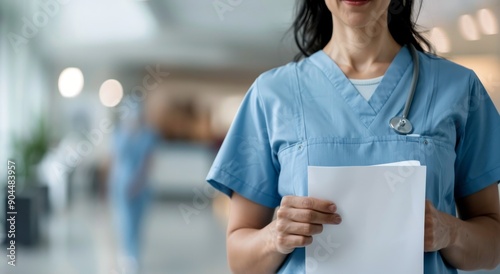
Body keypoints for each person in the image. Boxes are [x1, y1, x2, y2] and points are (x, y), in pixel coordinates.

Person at [206, 0, 500, 273]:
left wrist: (450, 232)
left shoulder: (458, 88)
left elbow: (493, 246)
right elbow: (239, 259)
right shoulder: (273, 94)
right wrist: (275, 236)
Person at [108, 107, 160, 274]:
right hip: (121, 184)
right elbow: (115, 160)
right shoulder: (120, 135)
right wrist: (114, 183)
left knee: (137, 221)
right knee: (124, 220)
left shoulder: (148, 136)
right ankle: (126, 254)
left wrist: (138, 183)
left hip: (141, 186)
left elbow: (148, 162)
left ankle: (134, 254)